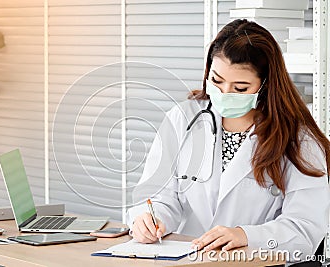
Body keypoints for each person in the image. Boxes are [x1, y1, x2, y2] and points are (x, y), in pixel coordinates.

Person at [126, 19, 330, 258]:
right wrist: (151, 219)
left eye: (240, 88)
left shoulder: (298, 140)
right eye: (217, 81)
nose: (224, 94)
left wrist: (245, 235)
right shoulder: (183, 118)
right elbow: (159, 194)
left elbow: (305, 229)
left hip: (253, 261)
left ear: (265, 85)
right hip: (187, 258)